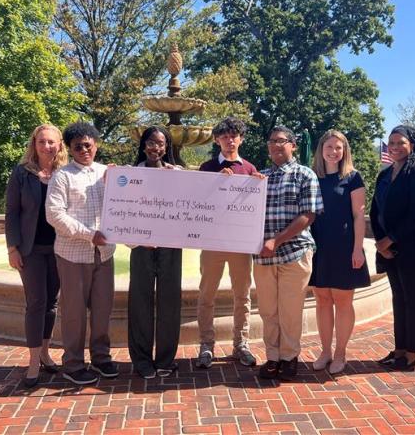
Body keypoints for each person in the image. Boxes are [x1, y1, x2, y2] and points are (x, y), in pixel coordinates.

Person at [46, 121, 118, 385]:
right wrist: (89, 234)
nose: (84, 150)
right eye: (78, 147)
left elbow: (127, 205)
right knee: (74, 312)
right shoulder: (62, 176)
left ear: (96, 145)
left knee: (102, 309)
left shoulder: (108, 173)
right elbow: (54, 215)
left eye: (88, 145)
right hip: (73, 255)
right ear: (70, 148)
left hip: (105, 254)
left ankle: (101, 357)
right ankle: (74, 363)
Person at [254, 126, 324, 381]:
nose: (274, 145)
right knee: (268, 310)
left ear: (293, 145)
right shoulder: (259, 178)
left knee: (290, 310)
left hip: (294, 253)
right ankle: (273, 357)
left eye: (280, 141)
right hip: (263, 256)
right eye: (271, 141)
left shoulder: (304, 175)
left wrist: (276, 240)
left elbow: (309, 215)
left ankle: (289, 357)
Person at [370, 125, 415, 372]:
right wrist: (380, 241)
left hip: (412, 243)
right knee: (398, 298)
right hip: (388, 245)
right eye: (392, 143)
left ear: (411, 144)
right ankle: (400, 348)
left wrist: (389, 239)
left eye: (400, 142)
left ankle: (414, 353)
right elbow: (375, 209)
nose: (395, 147)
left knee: (413, 297)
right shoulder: (385, 174)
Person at [195, 117, 260, 369]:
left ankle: (240, 344)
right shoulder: (207, 167)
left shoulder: (250, 169)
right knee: (206, 294)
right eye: (224, 136)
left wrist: (259, 185)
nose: (229, 140)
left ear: (241, 139)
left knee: (242, 296)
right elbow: (197, 202)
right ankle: (206, 345)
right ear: (217, 140)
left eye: (234, 135)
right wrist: (214, 184)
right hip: (212, 241)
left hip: (240, 242)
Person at [5, 124, 67, 388]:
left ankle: (44, 352)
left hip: (60, 248)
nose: (47, 147)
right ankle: (32, 361)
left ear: (60, 145)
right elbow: (12, 212)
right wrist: (12, 248)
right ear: (34, 144)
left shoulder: (65, 173)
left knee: (52, 302)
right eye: (42, 142)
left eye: (52, 142)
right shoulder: (22, 173)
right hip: (30, 249)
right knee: (36, 303)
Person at [309, 130, 370, 375]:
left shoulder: (353, 178)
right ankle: (325, 351)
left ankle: (341, 353)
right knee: (322, 300)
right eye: (329, 147)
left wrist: (358, 249)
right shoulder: (312, 177)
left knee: (343, 302)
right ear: (321, 150)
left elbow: (358, 216)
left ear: (345, 151)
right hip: (318, 247)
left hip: (344, 246)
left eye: (338, 147)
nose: (333, 152)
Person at [128, 126, 183, 379]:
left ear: (167, 147)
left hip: (170, 246)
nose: (156, 148)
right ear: (143, 145)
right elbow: (122, 211)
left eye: (161, 144)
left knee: (170, 302)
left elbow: (197, 201)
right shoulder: (130, 175)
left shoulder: (177, 174)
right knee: (140, 301)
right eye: (151, 142)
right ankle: (141, 360)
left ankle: (164, 359)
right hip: (141, 246)